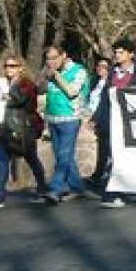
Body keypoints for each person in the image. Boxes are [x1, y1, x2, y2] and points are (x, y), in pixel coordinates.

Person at [0, 53, 49, 209]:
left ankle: (43, 188)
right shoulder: (4, 84)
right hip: (4, 129)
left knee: (31, 158)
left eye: (12, 66)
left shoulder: (27, 84)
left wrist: (2, 96)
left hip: (23, 129)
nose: (8, 69)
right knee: (2, 160)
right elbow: (1, 101)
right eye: (6, 66)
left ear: (21, 68)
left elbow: (18, 100)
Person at [92, 39, 136, 207]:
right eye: (116, 52)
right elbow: (104, 98)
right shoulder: (112, 74)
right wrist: (98, 118)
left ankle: (132, 190)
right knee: (116, 157)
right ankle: (113, 194)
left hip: (133, 123)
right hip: (113, 122)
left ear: (131, 54)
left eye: (121, 52)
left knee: (132, 157)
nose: (117, 55)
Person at [41, 45, 89, 204]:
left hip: (70, 118)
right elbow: (44, 92)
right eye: (48, 59)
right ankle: (77, 188)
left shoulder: (78, 70)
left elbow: (72, 91)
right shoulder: (50, 72)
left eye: (54, 58)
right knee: (63, 155)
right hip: (53, 118)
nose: (51, 62)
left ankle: (56, 188)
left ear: (64, 55)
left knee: (64, 155)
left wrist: (55, 75)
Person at [84, 57, 112, 187]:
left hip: (104, 118)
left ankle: (102, 174)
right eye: (99, 66)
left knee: (107, 148)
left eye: (104, 67)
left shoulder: (110, 83)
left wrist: (95, 118)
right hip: (91, 115)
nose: (101, 69)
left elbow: (103, 103)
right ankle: (98, 174)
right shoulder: (94, 82)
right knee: (102, 148)